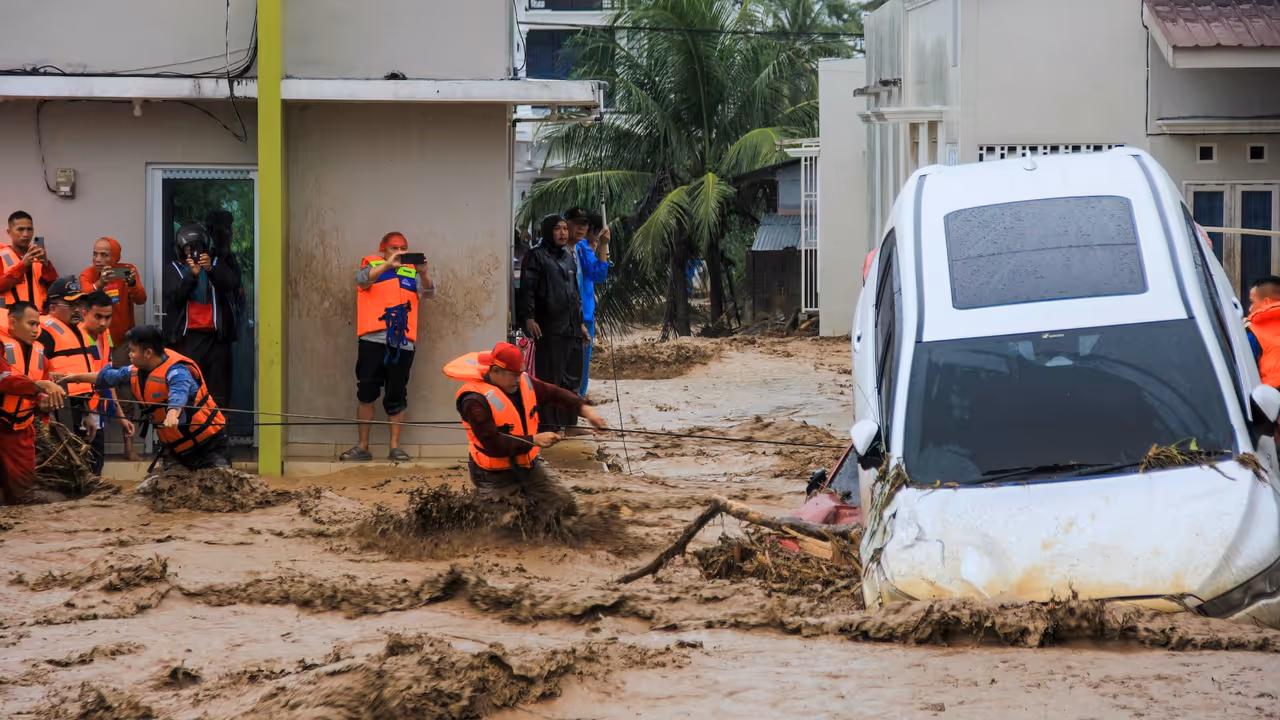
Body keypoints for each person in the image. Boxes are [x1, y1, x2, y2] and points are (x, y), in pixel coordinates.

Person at [443, 341, 606, 521]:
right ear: (495, 371)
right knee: (505, 527)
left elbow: (554, 393)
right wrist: (533, 439)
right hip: (492, 473)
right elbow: (492, 443)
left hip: (529, 465)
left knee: (566, 507)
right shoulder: (474, 401)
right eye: (513, 375)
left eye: (520, 373)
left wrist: (587, 411)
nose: (519, 379)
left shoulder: (522, 382)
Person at [62, 325, 229, 470]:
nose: (130, 355)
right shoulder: (135, 371)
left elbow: (179, 393)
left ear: (148, 353)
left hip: (208, 446)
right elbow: (107, 377)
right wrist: (73, 377)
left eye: (133, 351)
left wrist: (172, 414)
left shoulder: (177, 371)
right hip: (178, 449)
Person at [341, 232, 436, 463]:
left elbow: (429, 293)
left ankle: (395, 447)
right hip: (373, 341)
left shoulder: (410, 273)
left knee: (397, 394)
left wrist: (423, 273)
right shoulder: (371, 267)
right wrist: (386, 265)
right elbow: (361, 281)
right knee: (366, 392)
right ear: (383, 250)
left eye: (403, 248)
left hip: (402, 344)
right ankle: (362, 447)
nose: (400, 252)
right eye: (394, 248)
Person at [517, 215, 590, 431]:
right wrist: (529, 318)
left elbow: (575, 293)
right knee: (550, 379)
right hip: (550, 328)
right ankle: (548, 425)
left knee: (571, 379)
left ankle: (568, 423)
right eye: (558, 229)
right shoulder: (535, 256)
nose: (563, 233)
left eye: (565, 229)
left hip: (572, 328)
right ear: (548, 231)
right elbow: (527, 290)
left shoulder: (569, 257)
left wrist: (582, 324)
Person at [80, 237, 144, 461]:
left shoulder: (127, 271)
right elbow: (87, 297)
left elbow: (141, 299)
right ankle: (90, 450)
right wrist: (100, 283)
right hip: (95, 343)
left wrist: (132, 283)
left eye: (104, 255)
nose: (98, 259)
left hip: (122, 345)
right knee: (91, 394)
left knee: (126, 394)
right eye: (96, 253)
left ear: (116, 256)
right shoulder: (88, 274)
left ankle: (130, 446)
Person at [165, 222, 241, 409]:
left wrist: (211, 270)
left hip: (217, 338)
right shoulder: (174, 269)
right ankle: (193, 433)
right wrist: (192, 275)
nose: (193, 251)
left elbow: (231, 284)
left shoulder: (215, 264)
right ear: (181, 248)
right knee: (190, 387)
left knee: (219, 390)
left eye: (198, 246)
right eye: (189, 247)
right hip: (189, 338)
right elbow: (176, 298)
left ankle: (220, 431)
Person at [38, 277, 108, 473]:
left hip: (82, 410)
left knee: (92, 465)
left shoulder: (82, 332)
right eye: (70, 304)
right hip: (59, 412)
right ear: (52, 307)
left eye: (79, 304)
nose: (77, 309)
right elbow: (36, 373)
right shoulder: (44, 333)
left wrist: (89, 415)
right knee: (65, 469)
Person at [1, 301, 66, 504]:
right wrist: (40, 385)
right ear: (12, 322)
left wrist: (44, 402)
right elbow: (3, 379)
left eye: (38, 324)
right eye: (31, 324)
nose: (36, 330)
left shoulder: (40, 356)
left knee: (23, 495)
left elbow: (41, 393)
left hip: (21, 431)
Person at [570, 209, 611, 396]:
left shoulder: (577, 248)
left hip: (579, 313)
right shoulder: (582, 247)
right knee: (580, 370)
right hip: (583, 315)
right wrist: (602, 247)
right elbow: (599, 274)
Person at [0, 212, 58, 322]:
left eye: (29, 229)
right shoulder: (2, 257)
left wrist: (46, 264)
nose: (26, 234)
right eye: (20, 229)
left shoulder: (38, 255)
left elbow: (54, 287)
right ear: (9, 232)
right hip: (11, 319)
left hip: (38, 317)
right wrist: (22, 266)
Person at [1247, 276, 1280, 381]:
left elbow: (1242, 371)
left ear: (1267, 302)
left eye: (1252, 302)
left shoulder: (1254, 333)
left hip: (1270, 394)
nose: (1250, 308)